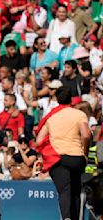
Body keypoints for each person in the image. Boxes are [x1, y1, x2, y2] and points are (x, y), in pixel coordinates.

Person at [36, 86, 91, 220]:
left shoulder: (51, 117)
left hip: (58, 158)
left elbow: (39, 141)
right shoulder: (79, 114)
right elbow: (86, 135)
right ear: (71, 99)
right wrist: (85, 153)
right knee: (75, 191)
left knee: (64, 191)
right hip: (77, 157)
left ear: (56, 99)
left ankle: (66, 217)